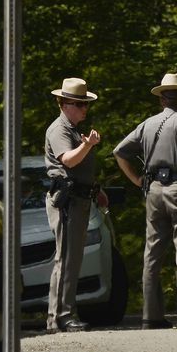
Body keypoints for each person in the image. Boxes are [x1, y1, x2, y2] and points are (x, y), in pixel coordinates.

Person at [114, 72, 177, 330]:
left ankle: (151, 316)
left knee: (153, 253)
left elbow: (119, 151)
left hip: (153, 190)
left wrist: (136, 180)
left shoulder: (146, 124)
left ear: (161, 100)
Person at [44, 77, 105, 332]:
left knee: (72, 259)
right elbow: (68, 161)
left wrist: (97, 189)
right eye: (80, 105)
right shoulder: (59, 129)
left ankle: (63, 314)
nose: (84, 110)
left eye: (86, 105)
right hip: (67, 202)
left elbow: (80, 168)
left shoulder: (70, 129)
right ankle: (60, 316)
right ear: (65, 104)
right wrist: (87, 144)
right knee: (66, 258)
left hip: (79, 199)